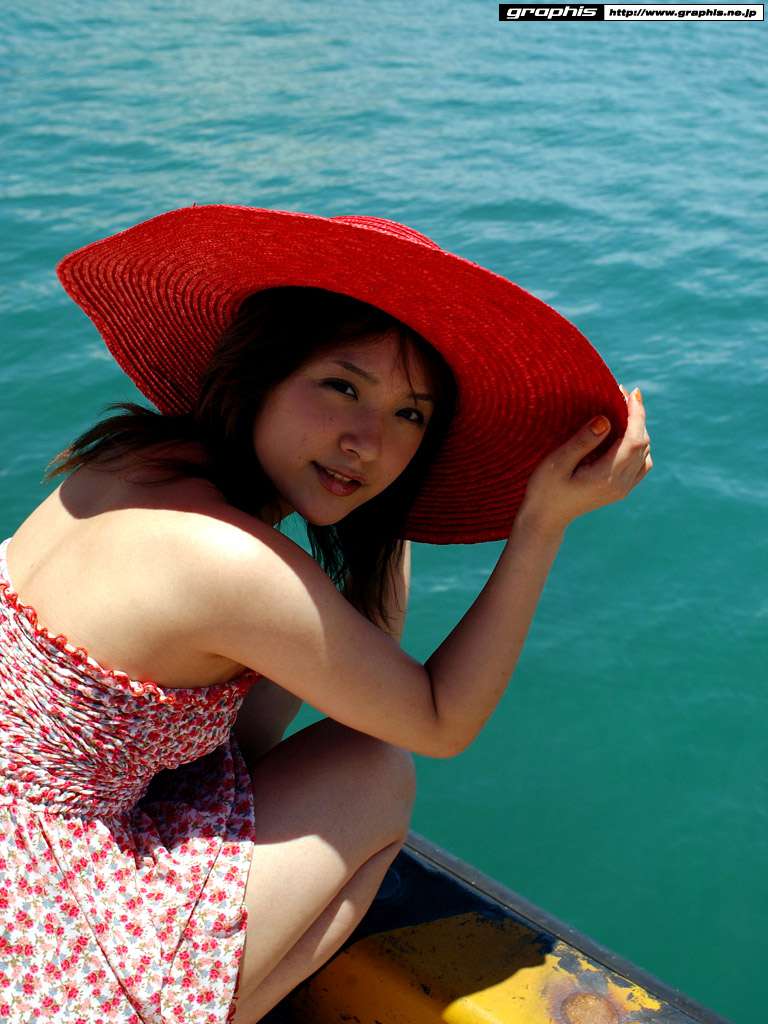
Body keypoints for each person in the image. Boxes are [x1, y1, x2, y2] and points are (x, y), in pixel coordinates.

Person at [0, 205, 652, 1024]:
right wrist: (541, 524)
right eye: (342, 387)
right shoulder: (227, 560)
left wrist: (383, 515)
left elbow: (262, 729)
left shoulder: (133, 464)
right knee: (374, 773)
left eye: (409, 415)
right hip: (33, 920)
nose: (366, 441)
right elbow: (437, 722)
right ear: (260, 372)